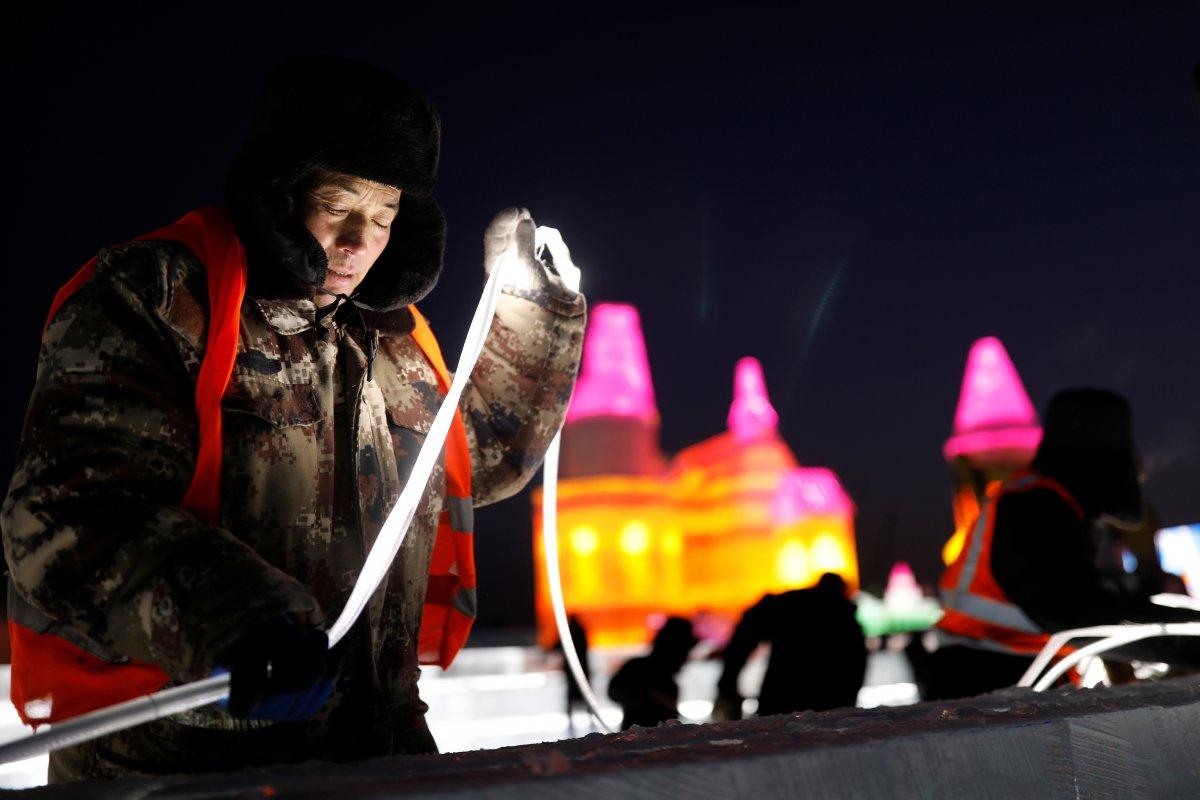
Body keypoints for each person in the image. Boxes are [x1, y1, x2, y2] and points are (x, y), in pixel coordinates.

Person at [0, 55, 585, 781]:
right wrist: (235, 618)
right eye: (336, 205)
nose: (358, 242)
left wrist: (538, 317)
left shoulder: (397, 345)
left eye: (383, 216)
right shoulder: (156, 300)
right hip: (185, 770)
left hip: (380, 766)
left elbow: (476, 462)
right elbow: (66, 512)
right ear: (278, 190)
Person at [932, 389, 1200, 699]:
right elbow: (1078, 612)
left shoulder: (1054, 505)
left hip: (1008, 673)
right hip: (984, 677)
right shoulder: (1031, 505)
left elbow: (1086, 602)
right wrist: (1191, 644)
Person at [714, 573, 866, 721]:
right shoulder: (847, 622)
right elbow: (856, 671)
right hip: (825, 713)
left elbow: (746, 633)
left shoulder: (788, 605)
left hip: (778, 703)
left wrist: (728, 684)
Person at [607, 617, 697, 730]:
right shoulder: (638, 668)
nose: (685, 658)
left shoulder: (668, 682)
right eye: (684, 650)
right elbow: (615, 691)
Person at [549, 615, 591, 734]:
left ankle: (572, 716)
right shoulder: (579, 630)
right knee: (584, 693)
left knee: (573, 694)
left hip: (573, 670)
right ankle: (588, 714)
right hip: (582, 668)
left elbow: (556, 645)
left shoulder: (568, 632)